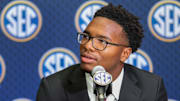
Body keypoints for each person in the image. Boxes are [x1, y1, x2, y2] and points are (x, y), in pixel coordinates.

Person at [36, 3, 167, 101]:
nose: (87, 45)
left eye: (102, 41)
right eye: (86, 36)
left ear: (125, 54)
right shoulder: (53, 88)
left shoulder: (151, 88)